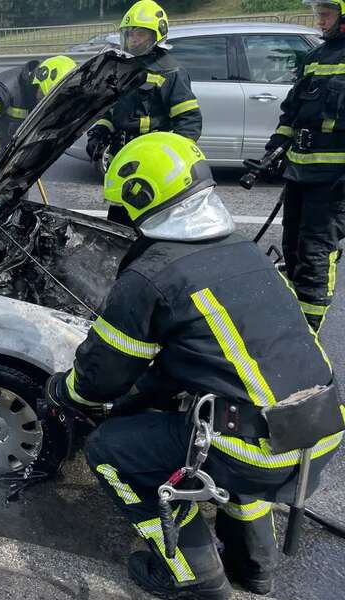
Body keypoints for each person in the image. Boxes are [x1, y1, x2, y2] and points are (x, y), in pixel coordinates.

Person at [43, 132, 342, 599]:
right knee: (234, 448)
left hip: (252, 449)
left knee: (112, 451)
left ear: (142, 199)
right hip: (321, 427)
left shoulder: (152, 275)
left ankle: (194, 576)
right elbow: (201, 361)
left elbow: (101, 378)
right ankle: (255, 569)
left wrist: (65, 391)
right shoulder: (243, 250)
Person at [266, 0, 345, 332]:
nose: (320, 19)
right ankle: (291, 321)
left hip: (333, 180)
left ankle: (308, 335)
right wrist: (276, 147)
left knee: (315, 253)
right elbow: (294, 109)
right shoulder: (315, 57)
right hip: (300, 173)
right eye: (319, 12)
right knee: (293, 248)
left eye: (327, 12)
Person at [85, 0, 202, 225]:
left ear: (156, 36)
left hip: (151, 163)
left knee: (147, 224)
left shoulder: (171, 72)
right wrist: (98, 133)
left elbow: (189, 122)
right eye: (129, 34)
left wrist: (166, 159)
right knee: (118, 223)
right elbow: (111, 112)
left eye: (139, 35)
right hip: (124, 157)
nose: (133, 40)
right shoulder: (126, 68)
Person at [0, 55, 76, 175]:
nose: (44, 103)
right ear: (39, 79)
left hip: (11, 169)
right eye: (44, 97)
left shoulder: (37, 94)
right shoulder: (5, 87)